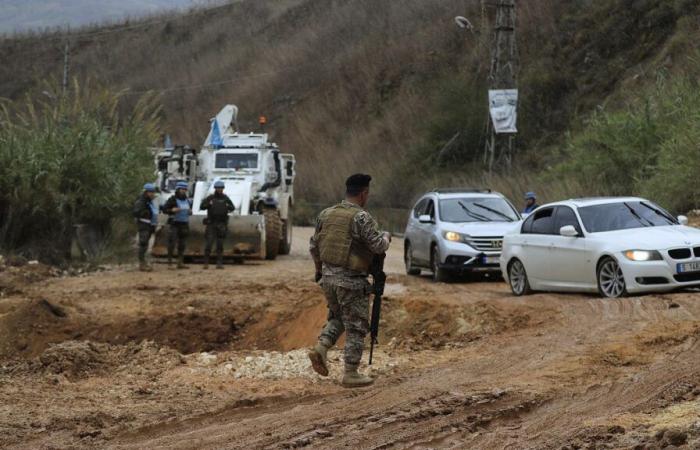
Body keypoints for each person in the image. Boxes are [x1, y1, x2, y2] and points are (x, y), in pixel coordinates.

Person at [307, 174, 392, 388]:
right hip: (351, 281)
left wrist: (319, 272)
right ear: (363, 194)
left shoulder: (325, 214)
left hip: (328, 279)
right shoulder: (361, 218)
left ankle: (322, 346)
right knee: (356, 326)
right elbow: (378, 247)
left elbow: (313, 247)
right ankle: (351, 372)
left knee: (338, 316)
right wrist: (387, 237)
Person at [200, 180, 235, 269]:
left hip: (222, 224)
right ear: (215, 188)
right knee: (209, 244)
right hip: (211, 223)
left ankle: (219, 263)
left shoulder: (225, 198)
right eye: (218, 188)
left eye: (221, 188)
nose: (219, 189)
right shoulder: (210, 198)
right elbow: (202, 206)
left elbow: (232, 207)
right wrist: (209, 204)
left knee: (220, 245)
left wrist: (227, 206)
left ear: (223, 189)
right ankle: (206, 263)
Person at [162, 181, 192, 269]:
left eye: (185, 189)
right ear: (178, 189)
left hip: (184, 223)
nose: (183, 191)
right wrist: (172, 210)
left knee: (182, 244)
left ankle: (180, 262)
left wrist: (190, 212)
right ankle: (170, 262)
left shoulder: (187, 200)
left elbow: (189, 211)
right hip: (174, 223)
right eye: (182, 189)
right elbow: (164, 209)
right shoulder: (172, 199)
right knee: (172, 243)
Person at [133, 183, 158, 272]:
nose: (152, 194)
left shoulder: (149, 202)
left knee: (146, 244)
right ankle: (142, 263)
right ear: (146, 192)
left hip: (150, 225)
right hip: (144, 225)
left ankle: (144, 262)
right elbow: (136, 212)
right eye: (150, 192)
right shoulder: (141, 202)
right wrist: (146, 213)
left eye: (153, 192)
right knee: (143, 243)